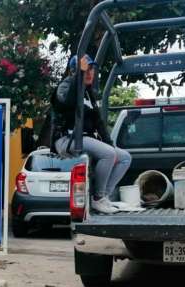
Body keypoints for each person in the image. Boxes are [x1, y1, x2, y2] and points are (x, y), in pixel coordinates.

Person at [53, 54, 132, 214]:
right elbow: (67, 102)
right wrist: (78, 76)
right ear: (74, 72)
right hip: (67, 139)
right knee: (108, 154)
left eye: (92, 70)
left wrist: (110, 144)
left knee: (123, 157)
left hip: (85, 138)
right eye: (86, 70)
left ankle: (104, 198)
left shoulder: (89, 94)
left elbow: (99, 123)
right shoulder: (65, 86)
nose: (90, 74)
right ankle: (97, 198)